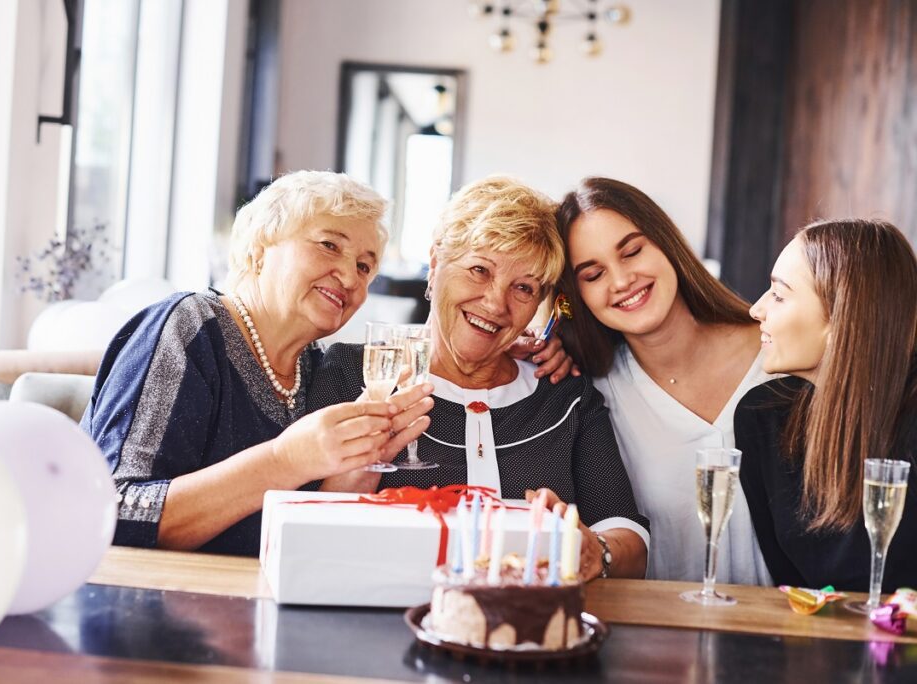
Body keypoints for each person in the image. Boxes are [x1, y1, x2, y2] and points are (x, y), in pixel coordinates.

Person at [310, 176, 649, 581]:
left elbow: (630, 536)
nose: (495, 304)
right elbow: (306, 535)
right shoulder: (349, 375)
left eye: (523, 288)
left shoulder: (566, 397)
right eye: (478, 270)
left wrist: (599, 551)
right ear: (435, 264)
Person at [81, 171, 435, 556]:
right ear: (260, 248)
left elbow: (300, 548)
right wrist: (284, 461)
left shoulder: (317, 372)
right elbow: (114, 512)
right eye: (329, 245)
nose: (350, 276)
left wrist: (356, 470)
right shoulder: (189, 327)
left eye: (365, 267)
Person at [556, 177, 772, 584]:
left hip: (786, 633)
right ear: (575, 296)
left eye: (632, 251)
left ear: (666, 243)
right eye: (593, 274)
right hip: (663, 635)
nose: (621, 281)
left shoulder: (774, 351)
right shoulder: (595, 394)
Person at [735, 219, 917, 592]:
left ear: (842, 317)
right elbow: (792, 589)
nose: (757, 309)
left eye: (780, 295)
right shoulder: (763, 416)